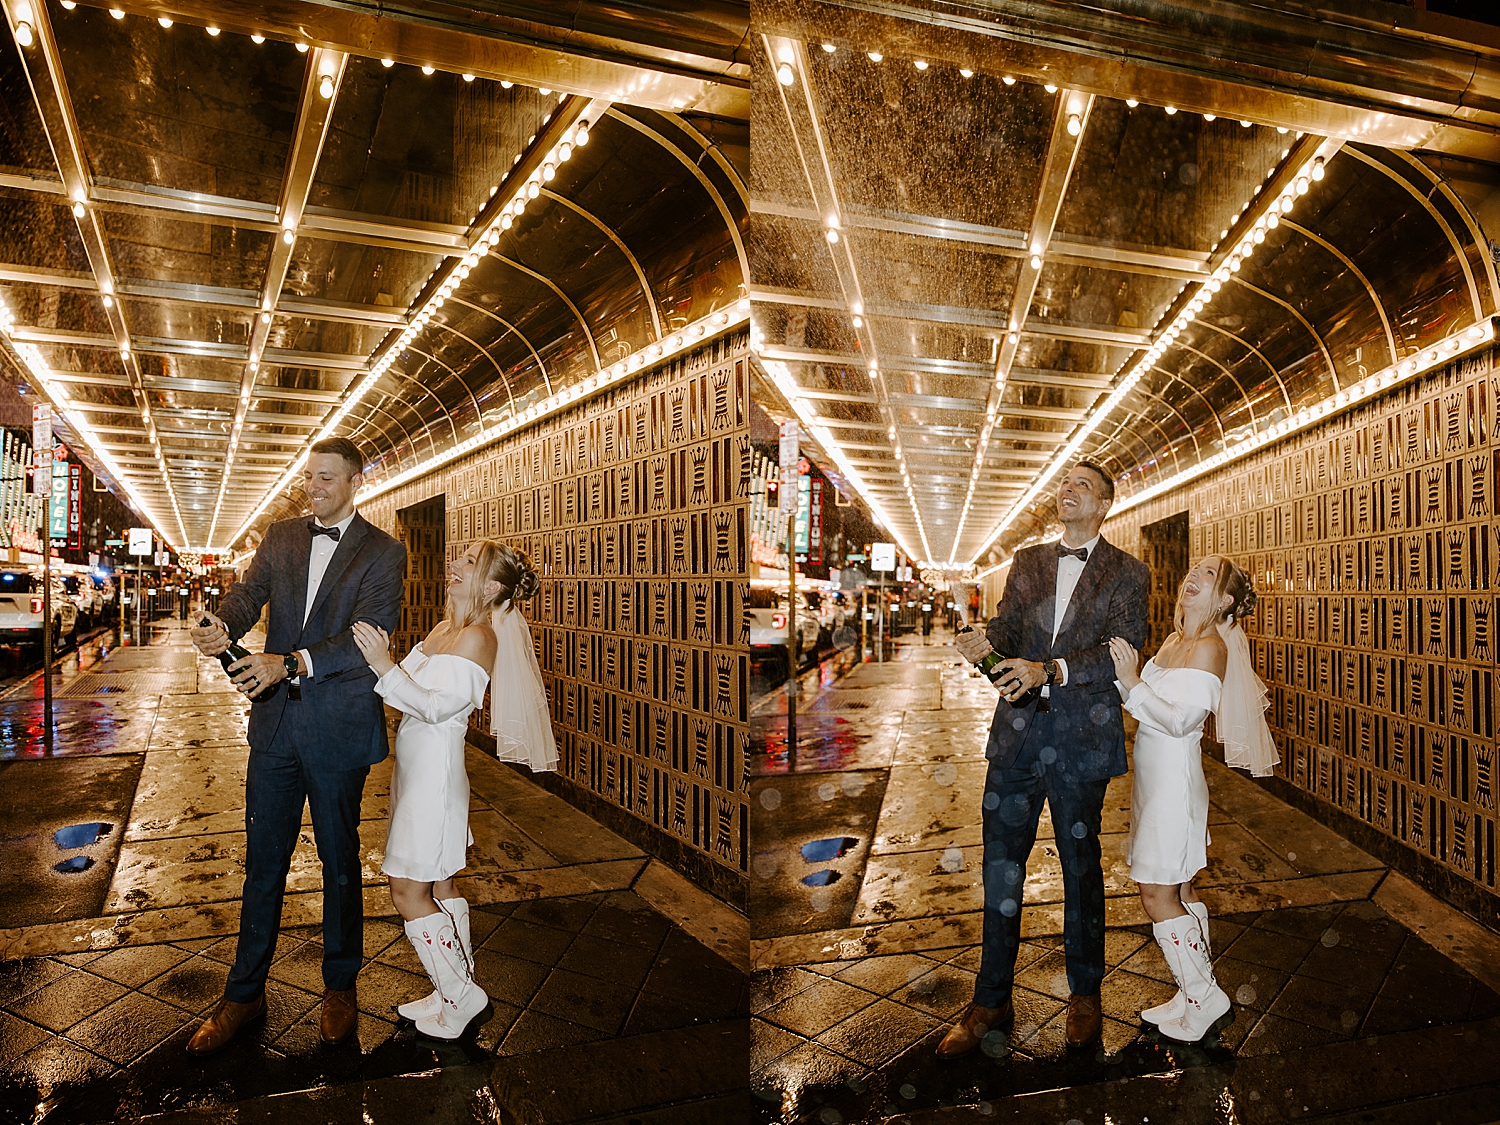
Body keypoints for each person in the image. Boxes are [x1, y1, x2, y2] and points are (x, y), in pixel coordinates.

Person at [185, 437, 406, 1055]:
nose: (315, 487)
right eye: (310, 477)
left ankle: (340, 987)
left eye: (328, 478)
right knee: (263, 863)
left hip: (338, 728)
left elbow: (369, 636)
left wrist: (292, 662)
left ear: (357, 481)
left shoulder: (384, 552)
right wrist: (222, 622)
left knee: (340, 864)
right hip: (275, 730)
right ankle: (243, 992)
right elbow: (250, 592)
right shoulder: (281, 536)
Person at [940, 461, 1150, 1057]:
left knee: (1081, 869)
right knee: (1000, 870)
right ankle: (990, 998)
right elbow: (1008, 630)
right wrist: (985, 641)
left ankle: (1085, 993)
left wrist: (1050, 670)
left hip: (1082, 742)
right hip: (1016, 741)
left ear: (1106, 504)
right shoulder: (1028, 561)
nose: (1068, 489)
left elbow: (1122, 651)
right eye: (1065, 482)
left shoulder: (1129, 573)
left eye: (1084, 484)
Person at [351, 539, 557, 1040]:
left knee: (407, 890)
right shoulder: (447, 628)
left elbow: (438, 707)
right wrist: (385, 660)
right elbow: (409, 685)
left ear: (490, 585)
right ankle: (452, 989)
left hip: (435, 777)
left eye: (468, 563)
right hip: (414, 767)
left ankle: (463, 997)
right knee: (440, 884)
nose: (454, 566)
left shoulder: (480, 638)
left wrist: (383, 663)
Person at [1108, 554, 1277, 1042]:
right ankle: (1191, 993)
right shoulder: (1175, 640)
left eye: (1207, 574)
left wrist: (1133, 680)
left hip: (1173, 790)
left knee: (1156, 894)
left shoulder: (1209, 647)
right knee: (1179, 889)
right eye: (1192, 571)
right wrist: (1130, 679)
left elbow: (1183, 721)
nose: (1192, 577)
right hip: (1152, 785)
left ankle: (1205, 997)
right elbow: (1142, 702)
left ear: (1224, 599)